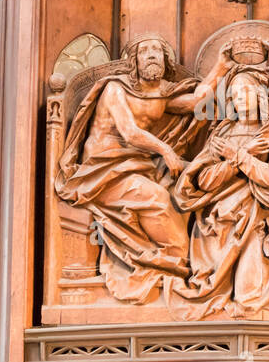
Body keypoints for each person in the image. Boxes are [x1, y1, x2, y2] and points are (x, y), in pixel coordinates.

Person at [55, 36, 231, 302]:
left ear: (165, 60)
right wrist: (167, 151)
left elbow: (196, 102)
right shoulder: (116, 88)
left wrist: (221, 67)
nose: (151, 55)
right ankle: (173, 259)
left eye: (157, 51)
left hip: (136, 165)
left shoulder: (160, 92)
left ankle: (198, 258)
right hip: (103, 171)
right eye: (145, 51)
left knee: (193, 177)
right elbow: (130, 132)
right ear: (134, 61)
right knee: (157, 199)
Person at [173, 63, 269, 317]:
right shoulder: (223, 132)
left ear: (260, 95)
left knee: (247, 296)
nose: (239, 98)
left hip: (254, 219)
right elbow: (204, 181)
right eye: (235, 94)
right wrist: (239, 156)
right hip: (217, 221)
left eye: (245, 92)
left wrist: (238, 156)